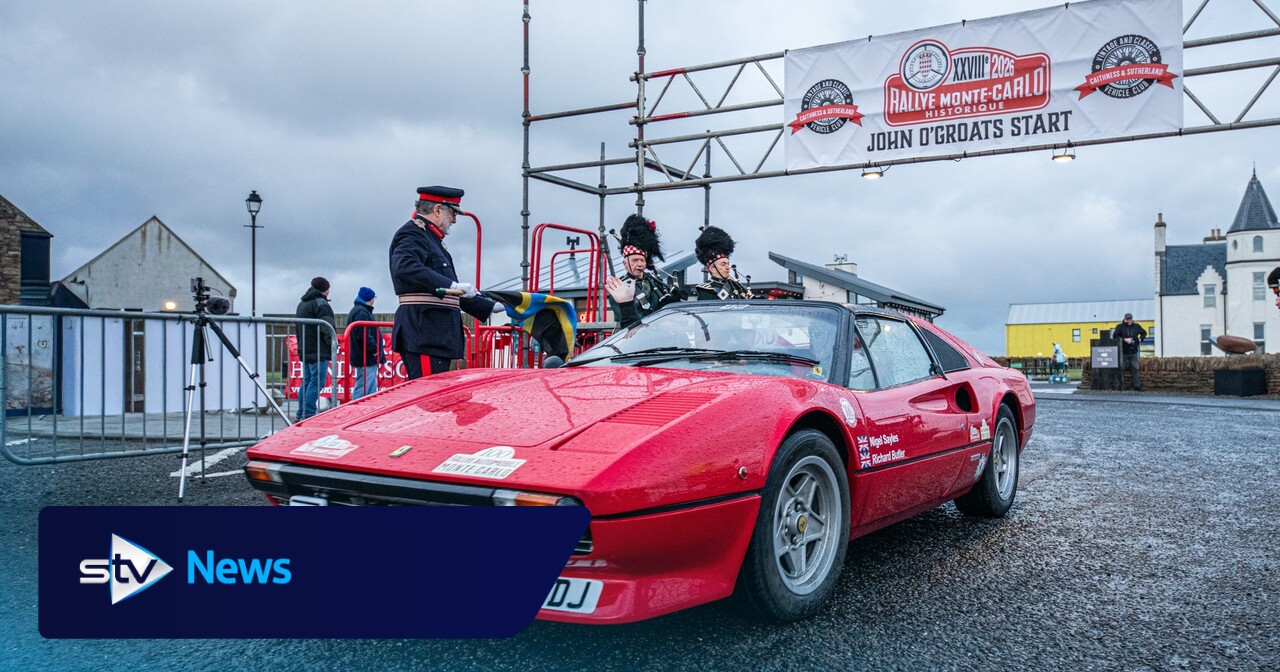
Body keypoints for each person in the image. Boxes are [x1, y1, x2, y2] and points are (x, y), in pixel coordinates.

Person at [389, 185, 504, 379]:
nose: (454, 220)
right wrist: (452, 286)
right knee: (427, 401)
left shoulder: (431, 239)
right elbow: (405, 267)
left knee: (434, 402)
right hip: (424, 333)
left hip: (434, 335)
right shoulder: (413, 234)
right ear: (437, 210)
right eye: (452, 213)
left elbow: (451, 293)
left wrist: (493, 306)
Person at [605, 214, 683, 328]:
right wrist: (660, 318)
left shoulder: (656, 281)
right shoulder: (619, 287)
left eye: (642, 260)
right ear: (625, 264)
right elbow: (626, 318)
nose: (640, 264)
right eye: (635, 260)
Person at [295, 276, 335, 419]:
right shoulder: (321, 304)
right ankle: (309, 414)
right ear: (326, 289)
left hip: (305, 349)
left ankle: (301, 413)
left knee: (306, 382)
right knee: (317, 383)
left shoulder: (302, 304)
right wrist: (333, 344)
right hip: (319, 350)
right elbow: (327, 328)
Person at [693, 225, 753, 300]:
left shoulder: (735, 286)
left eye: (728, 264)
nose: (728, 267)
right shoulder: (706, 290)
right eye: (723, 264)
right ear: (712, 268)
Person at [347, 286, 385, 400]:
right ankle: (356, 411)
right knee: (364, 386)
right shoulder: (362, 312)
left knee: (368, 386)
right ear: (370, 299)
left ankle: (366, 410)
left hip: (364, 355)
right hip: (366, 356)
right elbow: (363, 335)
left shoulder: (358, 311)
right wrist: (374, 349)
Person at [1113, 312, 1147, 392]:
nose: (1128, 320)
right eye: (1127, 319)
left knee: (1135, 369)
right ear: (1124, 319)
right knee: (1121, 369)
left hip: (1133, 351)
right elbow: (1115, 336)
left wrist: (1140, 339)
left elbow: (1144, 333)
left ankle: (1137, 386)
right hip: (1123, 351)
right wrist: (1125, 340)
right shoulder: (1120, 327)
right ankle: (1120, 386)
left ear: (1132, 319)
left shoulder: (1136, 326)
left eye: (1130, 319)